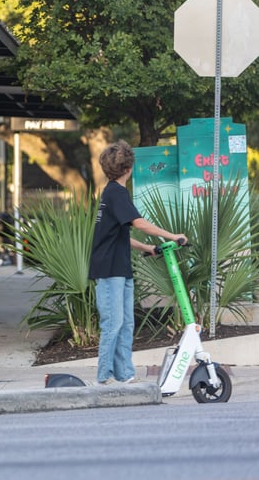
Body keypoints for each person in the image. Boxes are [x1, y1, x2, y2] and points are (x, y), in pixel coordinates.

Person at [89, 140, 186, 386]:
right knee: (113, 323)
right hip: (110, 269)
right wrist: (172, 236)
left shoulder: (113, 193)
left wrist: (149, 248)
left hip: (119, 267)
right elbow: (139, 223)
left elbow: (119, 234)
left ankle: (124, 374)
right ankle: (103, 378)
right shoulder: (115, 193)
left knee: (126, 323)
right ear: (129, 169)